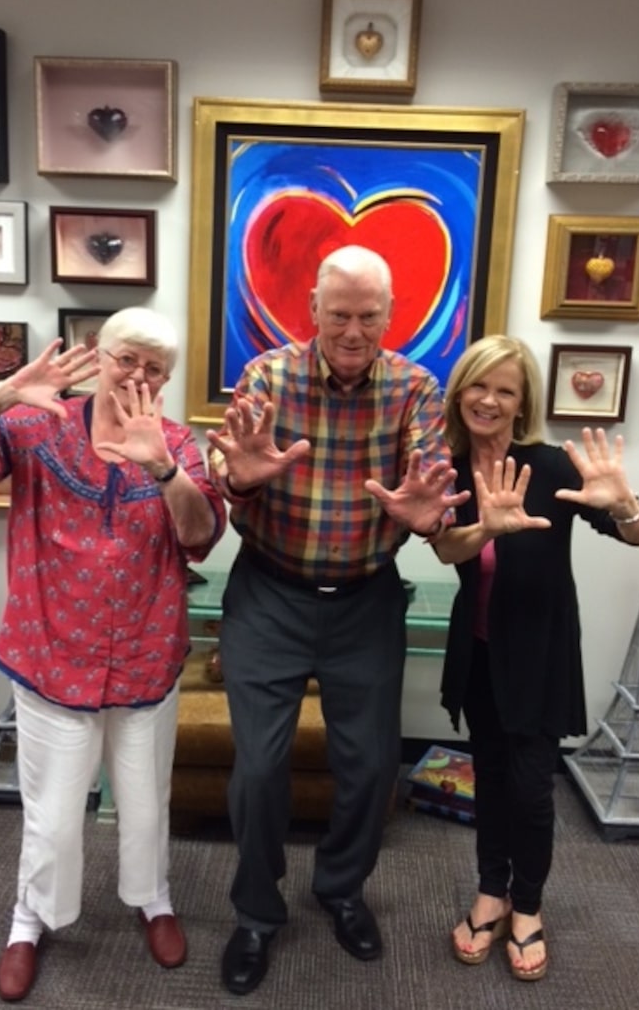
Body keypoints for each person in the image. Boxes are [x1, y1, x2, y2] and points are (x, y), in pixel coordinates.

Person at [0, 307, 227, 1002]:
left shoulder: (180, 443)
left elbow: (201, 532)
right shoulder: (41, 423)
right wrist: (4, 390)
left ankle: (153, 898)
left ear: (166, 380)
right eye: (127, 358)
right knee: (54, 812)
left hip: (147, 660)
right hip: (51, 656)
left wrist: (162, 469)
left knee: (147, 804)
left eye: (156, 368)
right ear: (101, 356)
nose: (139, 375)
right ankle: (29, 918)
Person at [205, 244, 468, 996]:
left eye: (369, 315)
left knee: (372, 763)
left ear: (391, 314)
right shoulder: (268, 376)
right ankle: (257, 911)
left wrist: (424, 514)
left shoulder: (416, 386)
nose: (354, 331)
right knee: (258, 768)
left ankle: (341, 887)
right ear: (313, 309)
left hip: (364, 599)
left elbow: (428, 474)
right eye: (340, 313)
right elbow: (236, 470)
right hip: (270, 594)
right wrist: (239, 484)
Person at [431, 334, 639, 982]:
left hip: (539, 651)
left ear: (522, 399)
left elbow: (636, 533)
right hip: (476, 654)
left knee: (531, 788)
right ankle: (490, 891)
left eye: (506, 389)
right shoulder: (447, 466)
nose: (490, 399)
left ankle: (526, 905)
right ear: (461, 390)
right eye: (479, 384)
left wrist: (627, 504)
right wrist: (486, 528)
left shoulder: (551, 465)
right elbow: (447, 551)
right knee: (491, 778)